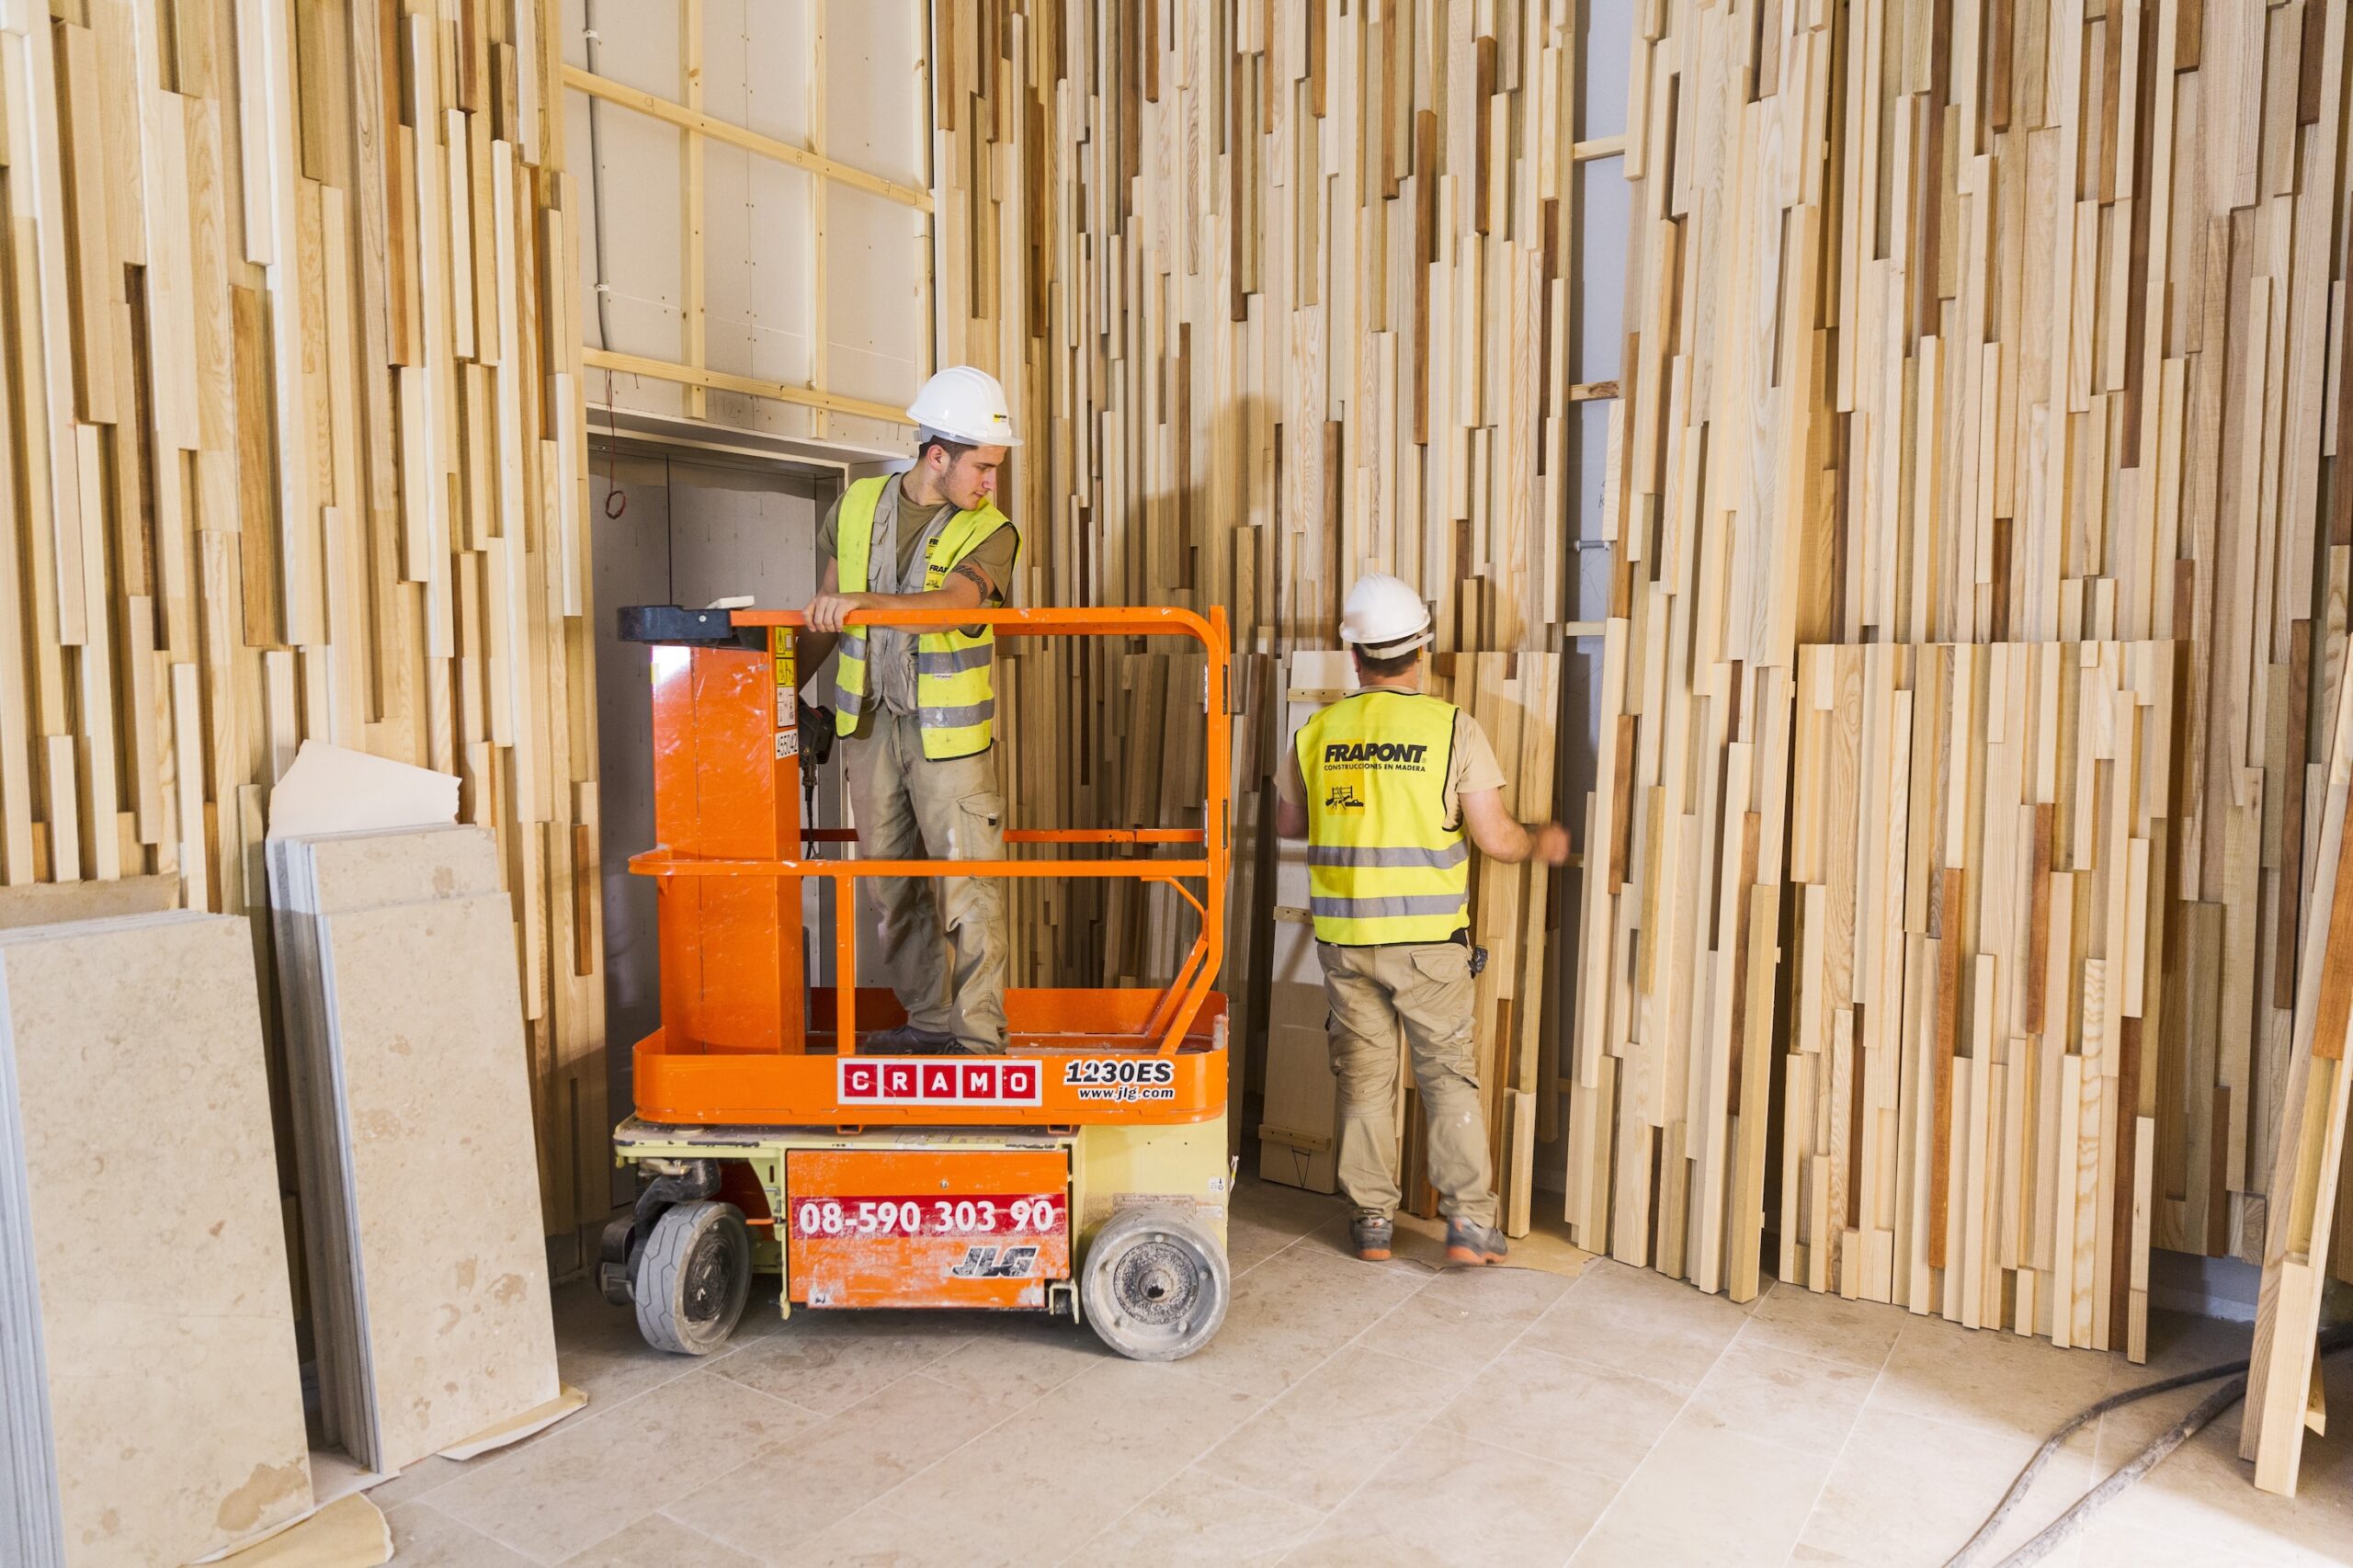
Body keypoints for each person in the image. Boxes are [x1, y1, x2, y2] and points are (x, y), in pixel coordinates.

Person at [1275, 574, 1573, 1265]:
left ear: (1354, 656)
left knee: (1364, 1081)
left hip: (1346, 943)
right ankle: (1469, 1227)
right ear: (1422, 649)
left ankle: (1372, 1224)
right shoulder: (1451, 728)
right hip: (1429, 946)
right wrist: (1541, 842)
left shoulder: (1318, 729)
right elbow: (1496, 838)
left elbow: (1291, 823)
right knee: (1446, 1078)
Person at [797, 367, 1022, 1056]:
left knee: (969, 891)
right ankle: (928, 1023)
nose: (990, 483)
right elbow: (826, 614)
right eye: (982, 467)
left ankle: (978, 1040)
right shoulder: (856, 506)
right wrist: (783, 701)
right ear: (937, 455)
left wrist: (866, 606)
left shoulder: (992, 531)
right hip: (868, 729)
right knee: (888, 889)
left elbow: (957, 604)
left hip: (948, 742)